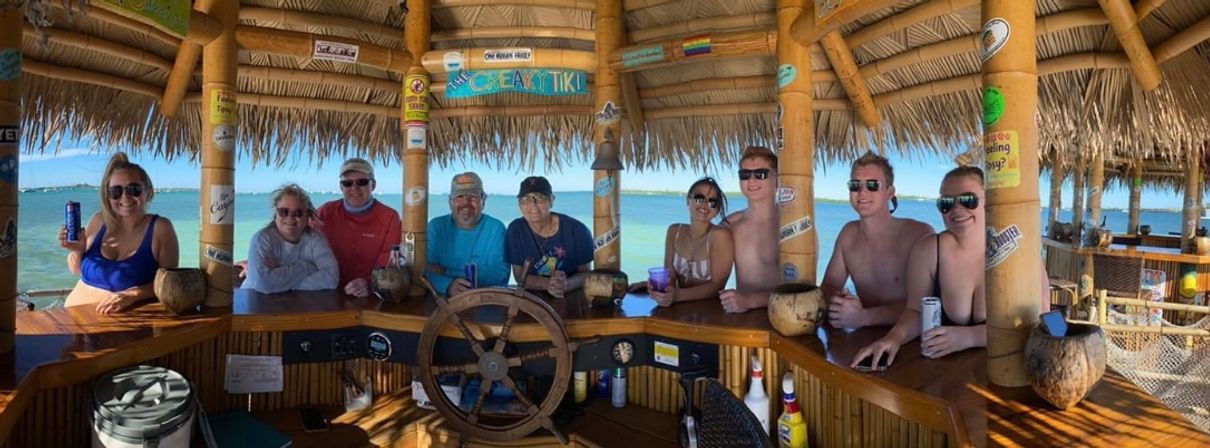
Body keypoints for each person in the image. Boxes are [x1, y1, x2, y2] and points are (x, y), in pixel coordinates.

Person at [850, 167, 1050, 368]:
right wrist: (892, 338)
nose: (957, 210)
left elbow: (1042, 320)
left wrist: (971, 337)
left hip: (1008, 373)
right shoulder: (928, 250)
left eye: (968, 200)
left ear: (988, 202)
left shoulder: (1020, 251)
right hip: (946, 375)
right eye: (946, 203)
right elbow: (915, 312)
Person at [822, 153, 933, 329]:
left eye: (872, 185)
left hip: (911, 340)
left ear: (889, 191)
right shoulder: (848, 235)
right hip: (865, 336)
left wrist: (863, 317)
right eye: (855, 185)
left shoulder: (918, 235)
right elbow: (829, 286)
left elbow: (927, 305)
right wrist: (839, 302)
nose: (862, 192)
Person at [59, 152, 179, 314]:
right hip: (71, 318)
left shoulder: (161, 228)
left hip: (122, 330)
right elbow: (77, 271)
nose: (125, 196)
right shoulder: (99, 220)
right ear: (107, 196)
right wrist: (77, 251)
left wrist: (132, 295)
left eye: (134, 189)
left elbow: (168, 285)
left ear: (148, 191)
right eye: (116, 191)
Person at [636, 178, 735, 307]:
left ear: (717, 209)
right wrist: (659, 290)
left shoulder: (720, 236)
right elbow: (670, 277)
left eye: (712, 202)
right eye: (699, 198)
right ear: (688, 200)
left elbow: (717, 285)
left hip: (710, 310)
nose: (705, 205)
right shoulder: (674, 232)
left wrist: (677, 295)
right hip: (678, 308)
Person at [316, 158, 402, 297]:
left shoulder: (390, 218)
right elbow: (298, 239)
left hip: (371, 294)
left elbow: (390, 265)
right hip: (326, 290)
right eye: (348, 183)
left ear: (373, 185)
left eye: (362, 182)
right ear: (341, 187)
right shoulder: (324, 213)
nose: (354, 188)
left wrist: (370, 284)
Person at [505, 176, 593, 297]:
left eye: (540, 198)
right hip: (531, 299)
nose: (533, 205)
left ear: (551, 200)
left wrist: (566, 284)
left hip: (572, 296)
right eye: (526, 199)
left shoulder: (577, 230)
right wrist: (547, 284)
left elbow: (586, 273)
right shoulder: (516, 230)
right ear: (519, 204)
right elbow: (519, 276)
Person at [243, 184, 339, 294]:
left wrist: (280, 276)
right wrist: (307, 267)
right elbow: (263, 284)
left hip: (296, 305)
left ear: (307, 216)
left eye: (297, 213)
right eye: (283, 212)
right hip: (253, 301)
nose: (290, 217)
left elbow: (332, 279)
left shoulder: (315, 239)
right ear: (276, 215)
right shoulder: (262, 239)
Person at [426, 172, 510, 296]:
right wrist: (448, 286)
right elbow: (424, 270)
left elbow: (499, 274)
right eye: (459, 197)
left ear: (483, 200)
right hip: (443, 302)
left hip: (487, 301)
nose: (466, 202)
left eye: (473, 196)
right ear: (450, 202)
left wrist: (447, 272)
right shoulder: (436, 226)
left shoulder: (496, 228)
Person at [719, 146, 781, 313]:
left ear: (778, 180)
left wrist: (750, 301)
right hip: (742, 316)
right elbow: (701, 260)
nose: (751, 180)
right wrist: (667, 283)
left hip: (785, 318)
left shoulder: (792, 226)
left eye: (760, 174)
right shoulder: (729, 225)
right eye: (745, 174)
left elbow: (804, 287)